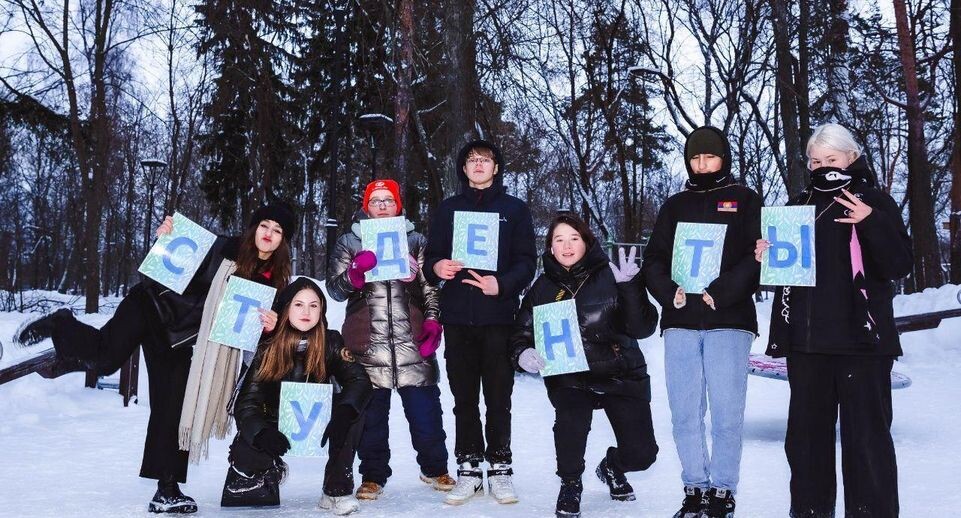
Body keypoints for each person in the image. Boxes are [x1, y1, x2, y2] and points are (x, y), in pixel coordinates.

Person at [14, 203, 296, 513]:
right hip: (150, 307)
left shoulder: (270, 283)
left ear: (283, 240)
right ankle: (61, 324)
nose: (268, 234)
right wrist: (166, 235)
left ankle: (167, 490)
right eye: (264, 226)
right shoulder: (223, 247)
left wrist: (268, 329)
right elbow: (174, 256)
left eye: (277, 230)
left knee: (172, 410)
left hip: (178, 339)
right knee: (106, 359)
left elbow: (245, 332)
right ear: (254, 227)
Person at [756, 123, 911, 517]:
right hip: (807, 346)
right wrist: (766, 255)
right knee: (806, 444)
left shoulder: (875, 201)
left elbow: (899, 265)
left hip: (862, 343)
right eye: (816, 160)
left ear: (851, 158)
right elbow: (786, 276)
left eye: (832, 159)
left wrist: (871, 220)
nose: (824, 166)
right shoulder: (797, 205)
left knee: (867, 442)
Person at [641, 126, 762, 518]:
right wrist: (668, 291)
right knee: (684, 411)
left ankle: (723, 491)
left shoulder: (745, 199)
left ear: (723, 158)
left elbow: (755, 255)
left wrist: (723, 291)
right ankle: (694, 487)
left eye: (709, 157)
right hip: (680, 321)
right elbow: (654, 259)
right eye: (695, 158)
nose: (702, 165)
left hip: (729, 318)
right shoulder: (675, 205)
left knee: (727, 411)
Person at [510, 213, 659, 518]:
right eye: (559, 240)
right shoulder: (542, 287)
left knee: (642, 455)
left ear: (587, 242)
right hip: (570, 376)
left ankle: (613, 466)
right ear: (550, 247)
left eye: (574, 238)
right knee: (570, 422)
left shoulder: (613, 274)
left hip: (620, 370)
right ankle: (570, 483)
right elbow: (520, 333)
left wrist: (630, 287)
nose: (566, 246)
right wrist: (523, 354)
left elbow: (643, 328)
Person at [424, 139, 537, 505]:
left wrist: (501, 284)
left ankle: (501, 467)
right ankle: (469, 467)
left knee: (499, 395)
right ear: (463, 168)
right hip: (458, 317)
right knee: (464, 396)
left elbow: (526, 262)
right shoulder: (448, 209)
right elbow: (432, 258)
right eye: (471, 160)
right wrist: (437, 266)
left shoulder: (515, 210)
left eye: (485, 160)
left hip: (499, 317)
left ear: (496, 167)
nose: (477, 165)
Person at [326, 179, 453, 500]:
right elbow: (335, 290)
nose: (382, 205)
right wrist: (355, 273)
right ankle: (372, 475)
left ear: (399, 205)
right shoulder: (349, 242)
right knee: (370, 421)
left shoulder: (416, 241)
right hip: (366, 345)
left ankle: (435, 467)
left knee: (426, 416)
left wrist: (433, 323)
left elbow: (430, 290)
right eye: (376, 200)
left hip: (411, 342)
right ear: (365, 206)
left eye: (389, 200)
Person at [223, 277, 373, 515]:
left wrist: (344, 412)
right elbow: (247, 403)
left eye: (313, 305)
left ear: (321, 309)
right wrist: (262, 433)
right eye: (298, 304)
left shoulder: (331, 341)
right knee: (248, 456)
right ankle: (267, 468)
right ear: (286, 308)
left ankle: (336, 489)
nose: (306, 311)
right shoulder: (267, 346)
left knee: (354, 412)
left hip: (316, 419)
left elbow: (359, 380)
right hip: (275, 422)